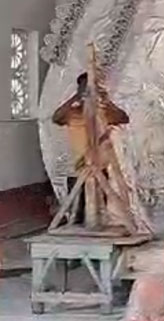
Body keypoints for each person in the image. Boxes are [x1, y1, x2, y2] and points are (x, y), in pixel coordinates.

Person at [52, 72, 132, 228]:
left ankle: (99, 232)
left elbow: (123, 118)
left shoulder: (102, 112)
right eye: (85, 88)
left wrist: (107, 102)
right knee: (79, 212)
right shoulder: (73, 113)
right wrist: (76, 98)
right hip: (80, 169)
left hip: (100, 168)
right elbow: (56, 118)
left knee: (101, 209)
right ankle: (78, 240)